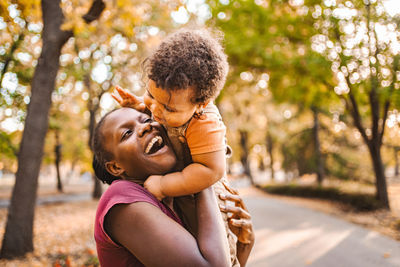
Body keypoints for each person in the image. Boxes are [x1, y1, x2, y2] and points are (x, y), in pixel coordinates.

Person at [112, 29, 241, 265]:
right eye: (151, 95)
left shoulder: (204, 123)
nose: (156, 113)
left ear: (201, 104)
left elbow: (211, 171)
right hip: (185, 188)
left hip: (203, 193)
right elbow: (158, 106)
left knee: (207, 246)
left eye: (169, 109)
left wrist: (163, 185)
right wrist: (140, 106)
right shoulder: (167, 102)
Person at [92, 107, 255, 266]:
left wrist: (243, 248)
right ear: (115, 167)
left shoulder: (172, 199)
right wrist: (202, 172)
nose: (145, 127)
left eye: (147, 120)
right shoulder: (121, 197)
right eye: (127, 133)